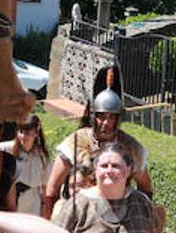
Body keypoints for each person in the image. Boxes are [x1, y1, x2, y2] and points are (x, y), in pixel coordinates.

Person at [40, 80, 154, 218]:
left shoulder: (131, 147)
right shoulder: (76, 141)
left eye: (111, 117)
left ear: (118, 119)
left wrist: (140, 217)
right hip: (77, 214)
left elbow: (145, 188)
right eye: (101, 116)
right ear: (93, 117)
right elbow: (52, 188)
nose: (106, 123)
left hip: (116, 214)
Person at [0, 115, 51, 219]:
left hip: (31, 204)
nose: (23, 136)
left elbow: (45, 185)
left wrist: (44, 207)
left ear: (36, 133)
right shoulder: (5, 148)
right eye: (20, 132)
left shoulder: (41, 156)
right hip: (10, 201)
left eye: (27, 133)